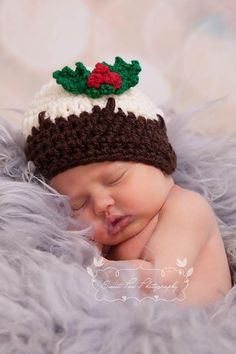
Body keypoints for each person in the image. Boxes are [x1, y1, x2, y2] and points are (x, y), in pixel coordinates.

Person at [22, 57, 232, 304]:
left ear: (159, 161)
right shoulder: (105, 241)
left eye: (115, 179)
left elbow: (161, 282)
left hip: (197, 334)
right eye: (78, 204)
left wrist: (89, 264)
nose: (101, 204)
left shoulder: (186, 208)